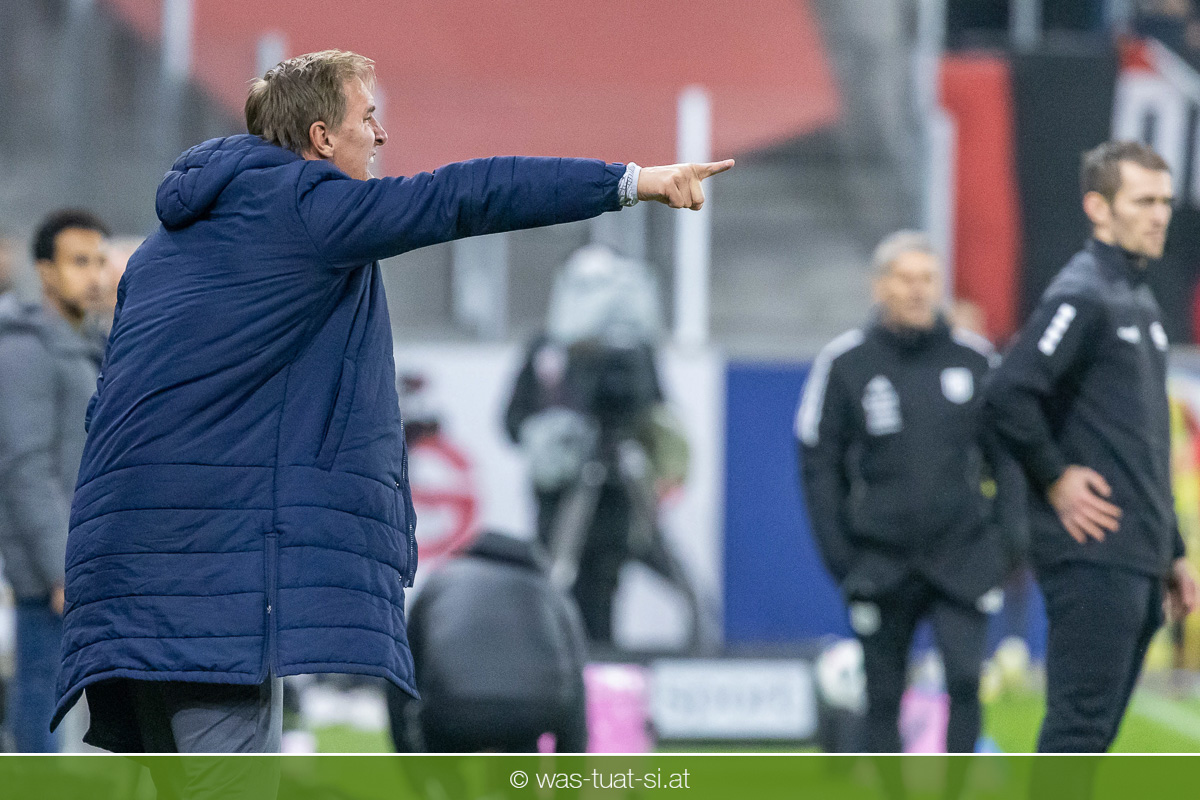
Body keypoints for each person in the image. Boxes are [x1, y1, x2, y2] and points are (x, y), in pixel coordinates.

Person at [51, 49, 732, 759]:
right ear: (321, 138)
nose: (380, 134)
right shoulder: (308, 207)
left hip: (121, 567)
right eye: (367, 116)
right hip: (212, 576)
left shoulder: (160, 252)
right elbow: (467, 194)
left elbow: (112, 409)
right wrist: (631, 182)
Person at [985, 140, 1198, 753]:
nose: (1159, 216)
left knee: (1093, 738)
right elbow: (1008, 392)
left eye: (1165, 201)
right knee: (1077, 731)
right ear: (1098, 209)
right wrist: (1055, 477)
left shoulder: (1137, 298)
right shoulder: (1084, 292)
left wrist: (1172, 550)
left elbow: (1145, 445)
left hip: (1137, 553)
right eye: (1143, 201)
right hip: (1093, 553)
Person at [796, 231, 1025, 753]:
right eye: (905, 278)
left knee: (965, 681)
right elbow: (818, 464)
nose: (918, 290)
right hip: (881, 560)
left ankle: (956, 786)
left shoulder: (975, 359)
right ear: (878, 286)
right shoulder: (846, 363)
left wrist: (1008, 545)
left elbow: (1010, 457)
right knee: (882, 695)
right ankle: (889, 788)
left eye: (928, 279)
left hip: (963, 556)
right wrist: (842, 558)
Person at [503, 245, 697, 647]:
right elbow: (511, 421)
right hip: (560, 497)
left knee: (604, 586)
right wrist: (549, 436)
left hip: (617, 497)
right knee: (554, 582)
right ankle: (552, 657)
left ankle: (603, 662)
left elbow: (653, 410)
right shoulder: (545, 350)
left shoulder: (635, 352)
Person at [0, 211, 109, 752]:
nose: (93, 275)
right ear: (45, 271)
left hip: (85, 560)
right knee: (41, 699)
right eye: (78, 262)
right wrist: (61, 569)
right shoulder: (25, 350)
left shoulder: (87, 344)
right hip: (52, 572)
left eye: (99, 261)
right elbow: (26, 468)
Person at [386, 531, 588, 753]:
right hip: (533, 711)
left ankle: (442, 775)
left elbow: (401, 669)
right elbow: (575, 680)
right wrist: (568, 765)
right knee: (521, 744)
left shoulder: (442, 579)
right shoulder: (551, 591)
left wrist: (407, 753)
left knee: (445, 744)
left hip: (454, 708)